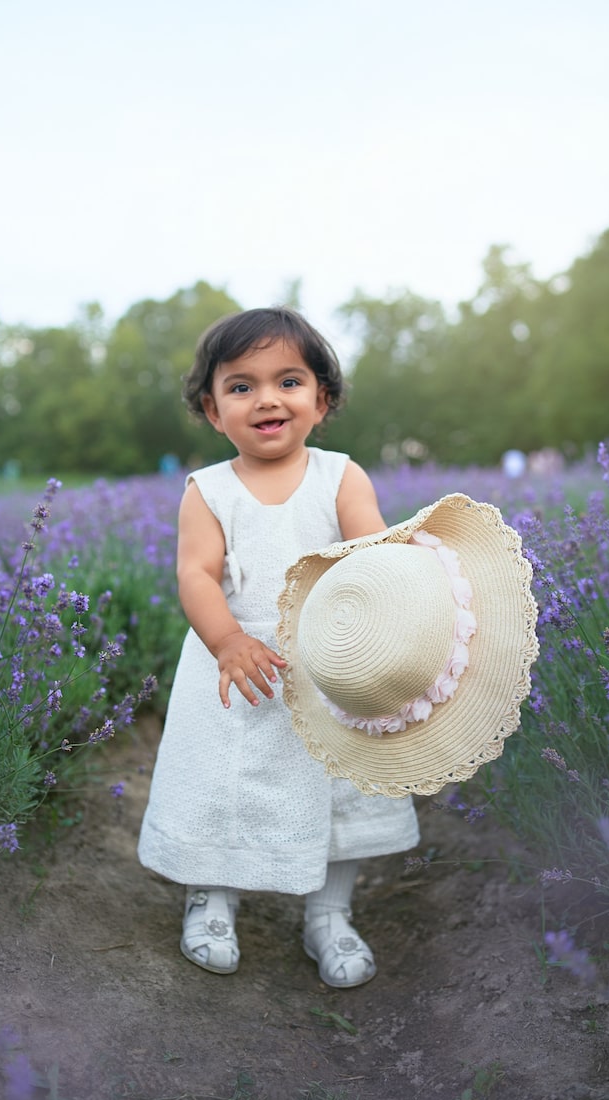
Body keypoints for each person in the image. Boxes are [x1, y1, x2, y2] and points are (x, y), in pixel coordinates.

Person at [138, 306, 421, 988]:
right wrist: (227, 640)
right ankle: (211, 897)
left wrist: (401, 606)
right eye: (241, 386)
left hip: (331, 663)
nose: (266, 398)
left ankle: (329, 913)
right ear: (213, 410)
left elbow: (370, 552)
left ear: (321, 400)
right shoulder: (209, 491)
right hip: (238, 672)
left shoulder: (341, 477)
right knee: (224, 786)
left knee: (340, 791)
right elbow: (197, 575)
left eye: (288, 381)